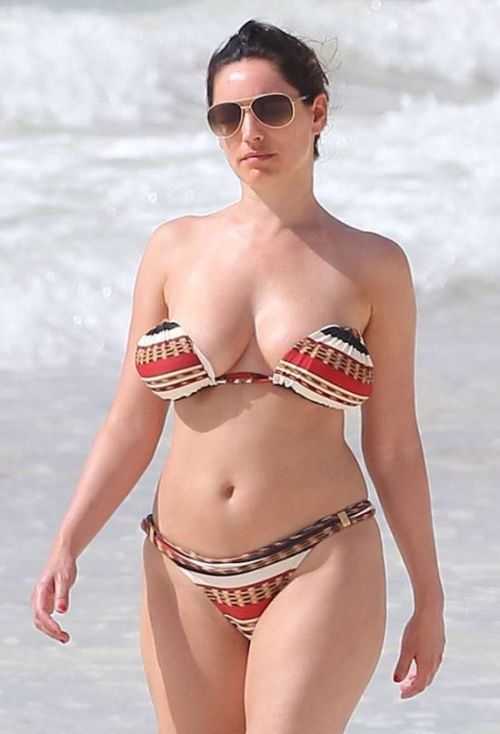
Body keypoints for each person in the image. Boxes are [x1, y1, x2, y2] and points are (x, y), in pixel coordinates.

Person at [31, 18, 446, 734]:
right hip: (179, 570)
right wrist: (68, 538)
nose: (249, 131)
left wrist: (429, 597)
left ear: (317, 112)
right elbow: (131, 421)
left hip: (320, 557)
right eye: (227, 116)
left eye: (271, 108)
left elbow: (395, 447)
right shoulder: (173, 250)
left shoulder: (373, 266)